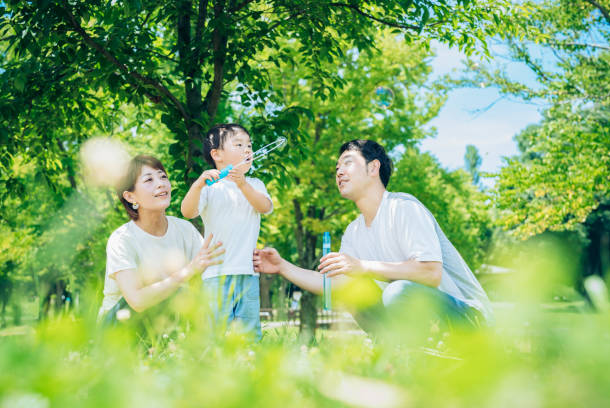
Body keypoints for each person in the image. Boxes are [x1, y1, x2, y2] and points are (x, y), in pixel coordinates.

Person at [253, 139, 493, 334]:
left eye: (347, 163)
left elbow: (430, 273)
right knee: (355, 290)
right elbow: (335, 286)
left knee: (398, 291)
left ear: (373, 168)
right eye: (337, 168)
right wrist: (282, 266)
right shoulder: (353, 232)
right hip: (423, 324)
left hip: (470, 323)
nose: (338, 172)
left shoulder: (403, 207)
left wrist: (362, 266)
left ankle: (431, 352)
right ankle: (403, 355)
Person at [98, 155, 224, 324]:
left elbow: (211, 275)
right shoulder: (122, 239)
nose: (161, 183)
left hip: (163, 322)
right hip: (119, 324)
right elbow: (136, 301)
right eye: (149, 180)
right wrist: (188, 271)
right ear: (130, 197)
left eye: (163, 176)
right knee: (176, 293)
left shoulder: (185, 230)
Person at [181, 124, 273, 340]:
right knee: (215, 333)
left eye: (249, 146)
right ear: (217, 155)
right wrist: (197, 186)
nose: (247, 150)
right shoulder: (210, 188)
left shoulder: (255, 184)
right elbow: (188, 212)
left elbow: (265, 207)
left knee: (249, 333)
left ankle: (250, 364)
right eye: (239, 144)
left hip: (247, 273)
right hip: (215, 274)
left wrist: (243, 185)